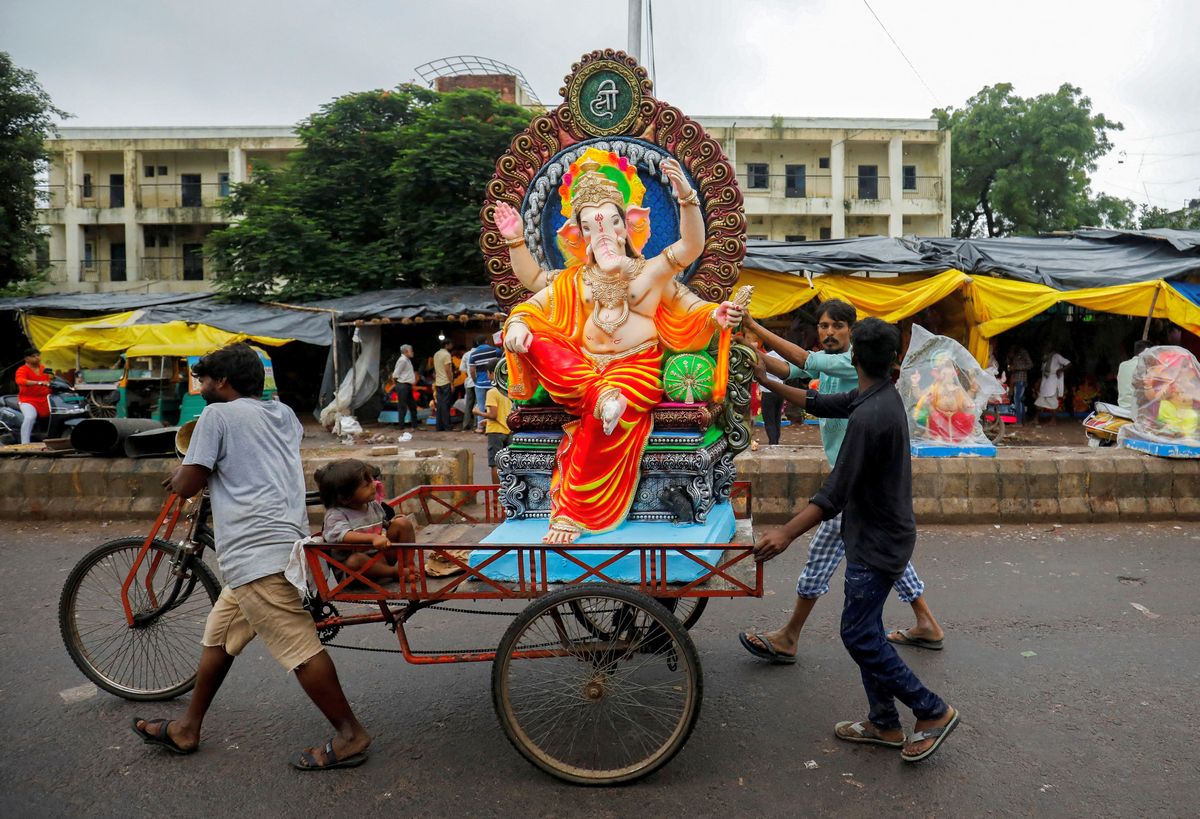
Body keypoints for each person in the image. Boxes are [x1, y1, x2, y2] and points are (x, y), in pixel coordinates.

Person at [130, 343, 372, 771]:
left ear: (221, 381)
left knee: (300, 649)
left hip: (258, 551)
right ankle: (188, 727)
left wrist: (178, 474)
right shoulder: (282, 415)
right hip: (282, 544)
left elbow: (189, 483)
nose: (202, 387)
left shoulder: (216, 416)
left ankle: (351, 734)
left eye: (205, 379)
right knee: (219, 637)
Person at [494, 148, 741, 543]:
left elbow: (691, 247)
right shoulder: (577, 281)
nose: (604, 233)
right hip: (584, 373)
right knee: (531, 333)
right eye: (592, 226)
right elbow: (533, 288)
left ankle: (575, 511)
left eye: (611, 222)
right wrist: (516, 253)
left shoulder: (650, 272)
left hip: (635, 371)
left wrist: (686, 198)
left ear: (628, 228)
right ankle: (602, 396)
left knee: (601, 413)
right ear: (580, 236)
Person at [751, 318, 959, 763]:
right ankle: (883, 722)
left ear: (854, 359)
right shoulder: (877, 396)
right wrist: (764, 378)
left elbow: (835, 492)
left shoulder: (870, 416)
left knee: (860, 635)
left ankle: (931, 710)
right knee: (864, 630)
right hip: (875, 533)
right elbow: (821, 401)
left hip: (877, 540)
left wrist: (786, 533)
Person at [736, 301, 945, 664]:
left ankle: (789, 636)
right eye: (823, 326)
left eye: (837, 326)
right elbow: (807, 388)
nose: (829, 332)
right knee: (890, 562)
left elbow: (804, 363)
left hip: (854, 483)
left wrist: (754, 326)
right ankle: (926, 623)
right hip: (864, 489)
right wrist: (758, 366)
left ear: (854, 336)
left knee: (823, 561)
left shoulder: (853, 371)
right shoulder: (859, 382)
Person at [315, 458, 417, 582]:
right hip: (357, 572)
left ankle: (409, 568)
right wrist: (372, 538)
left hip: (379, 557)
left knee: (402, 524)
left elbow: (381, 524)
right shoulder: (336, 514)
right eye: (367, 485)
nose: (374, 485)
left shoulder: (372, 505)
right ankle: (396, 572)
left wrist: (391, 524)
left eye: (372, 481)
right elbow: (342, 535)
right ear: (345, 497)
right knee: (355, 560)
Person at [473, 360, 512, 483]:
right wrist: (487, 419)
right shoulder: (509, 390)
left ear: (491, 373)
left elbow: (493, 415)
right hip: (509, 431)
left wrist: (478, 412)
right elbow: (504, 413)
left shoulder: (492, 392)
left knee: (495, 464)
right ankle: (508, 493)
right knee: (508, 464)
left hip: (496, 432)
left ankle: (496, 497)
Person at [14, 348, 51, 444]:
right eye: (34, 356)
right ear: (27, 359)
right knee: (30, 417)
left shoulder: (44, 369)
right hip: (28, 400)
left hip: (45, 399)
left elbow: (51, 380)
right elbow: (20, 381)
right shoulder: (22, 370)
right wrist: (37, 382)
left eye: (38, 355)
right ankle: (25, 444)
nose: (37, 358)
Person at [468, 334, 502, 433]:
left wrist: (476, 381)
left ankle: (480, 427)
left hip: (480, 384)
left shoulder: (473, 354)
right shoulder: (496, 351)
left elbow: (472, 370)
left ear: (477, 343)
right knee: (495, 405)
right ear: (486, 341)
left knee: (481, 405)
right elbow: (501, 364)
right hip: (494, 382)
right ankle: (496, 425)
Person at [1034, 348, 1071, 425]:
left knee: (1053, 402)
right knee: (1039, 401)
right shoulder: (1045, 358)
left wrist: (1060, 370)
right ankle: (1036, 419)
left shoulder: (1057, 356)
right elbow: (1043, 371)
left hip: (1053, 382)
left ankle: (1053, 420)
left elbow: (1069, 364)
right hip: (1045, 382)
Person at [391, 344, 418, 437]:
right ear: (406, 351)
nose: (412, 352)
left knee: (412, 405)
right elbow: (395, 374)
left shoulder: (407, 360)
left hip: (407, 385)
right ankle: (401, 427)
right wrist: (397, 385)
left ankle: (414, 425)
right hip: (402, 385)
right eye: (411, 351)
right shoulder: (402, 360)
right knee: (402, 406)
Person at [1117, 340, 1150, 414]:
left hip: (1122, 408)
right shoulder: (1146, 366)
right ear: (1148, 352)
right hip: (1138, 411)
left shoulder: (1122, 365)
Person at [1006, 344, 1033, 424]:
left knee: (1018, 399)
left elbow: (1030, 365)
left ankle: (1019, 422)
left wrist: (1017, 368)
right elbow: (1009, 366)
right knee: (1019, 400)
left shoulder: (1023, 352)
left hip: (1021, 379)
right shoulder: (1013, 354)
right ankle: (1022, 421)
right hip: (1014, 379)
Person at [432, 337, 455, 432]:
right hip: (445, 382)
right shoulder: (446, 355)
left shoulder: (436, 354)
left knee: (440, 404)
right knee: (446, 405)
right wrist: (452, 383)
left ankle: (439, 426)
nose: (452, 346)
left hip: (438, 382)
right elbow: (447, 369)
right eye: (450, 344)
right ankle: (447, 426)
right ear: (446, 345)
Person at [459, 344, 476, 432]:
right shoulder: (480, 353)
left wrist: (469, 375)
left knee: (468, 405)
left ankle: (465, 425)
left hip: (469, 383)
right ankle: (476, 426)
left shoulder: (466, 354)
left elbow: (462, 369)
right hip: (478, 383)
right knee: (478, 405)